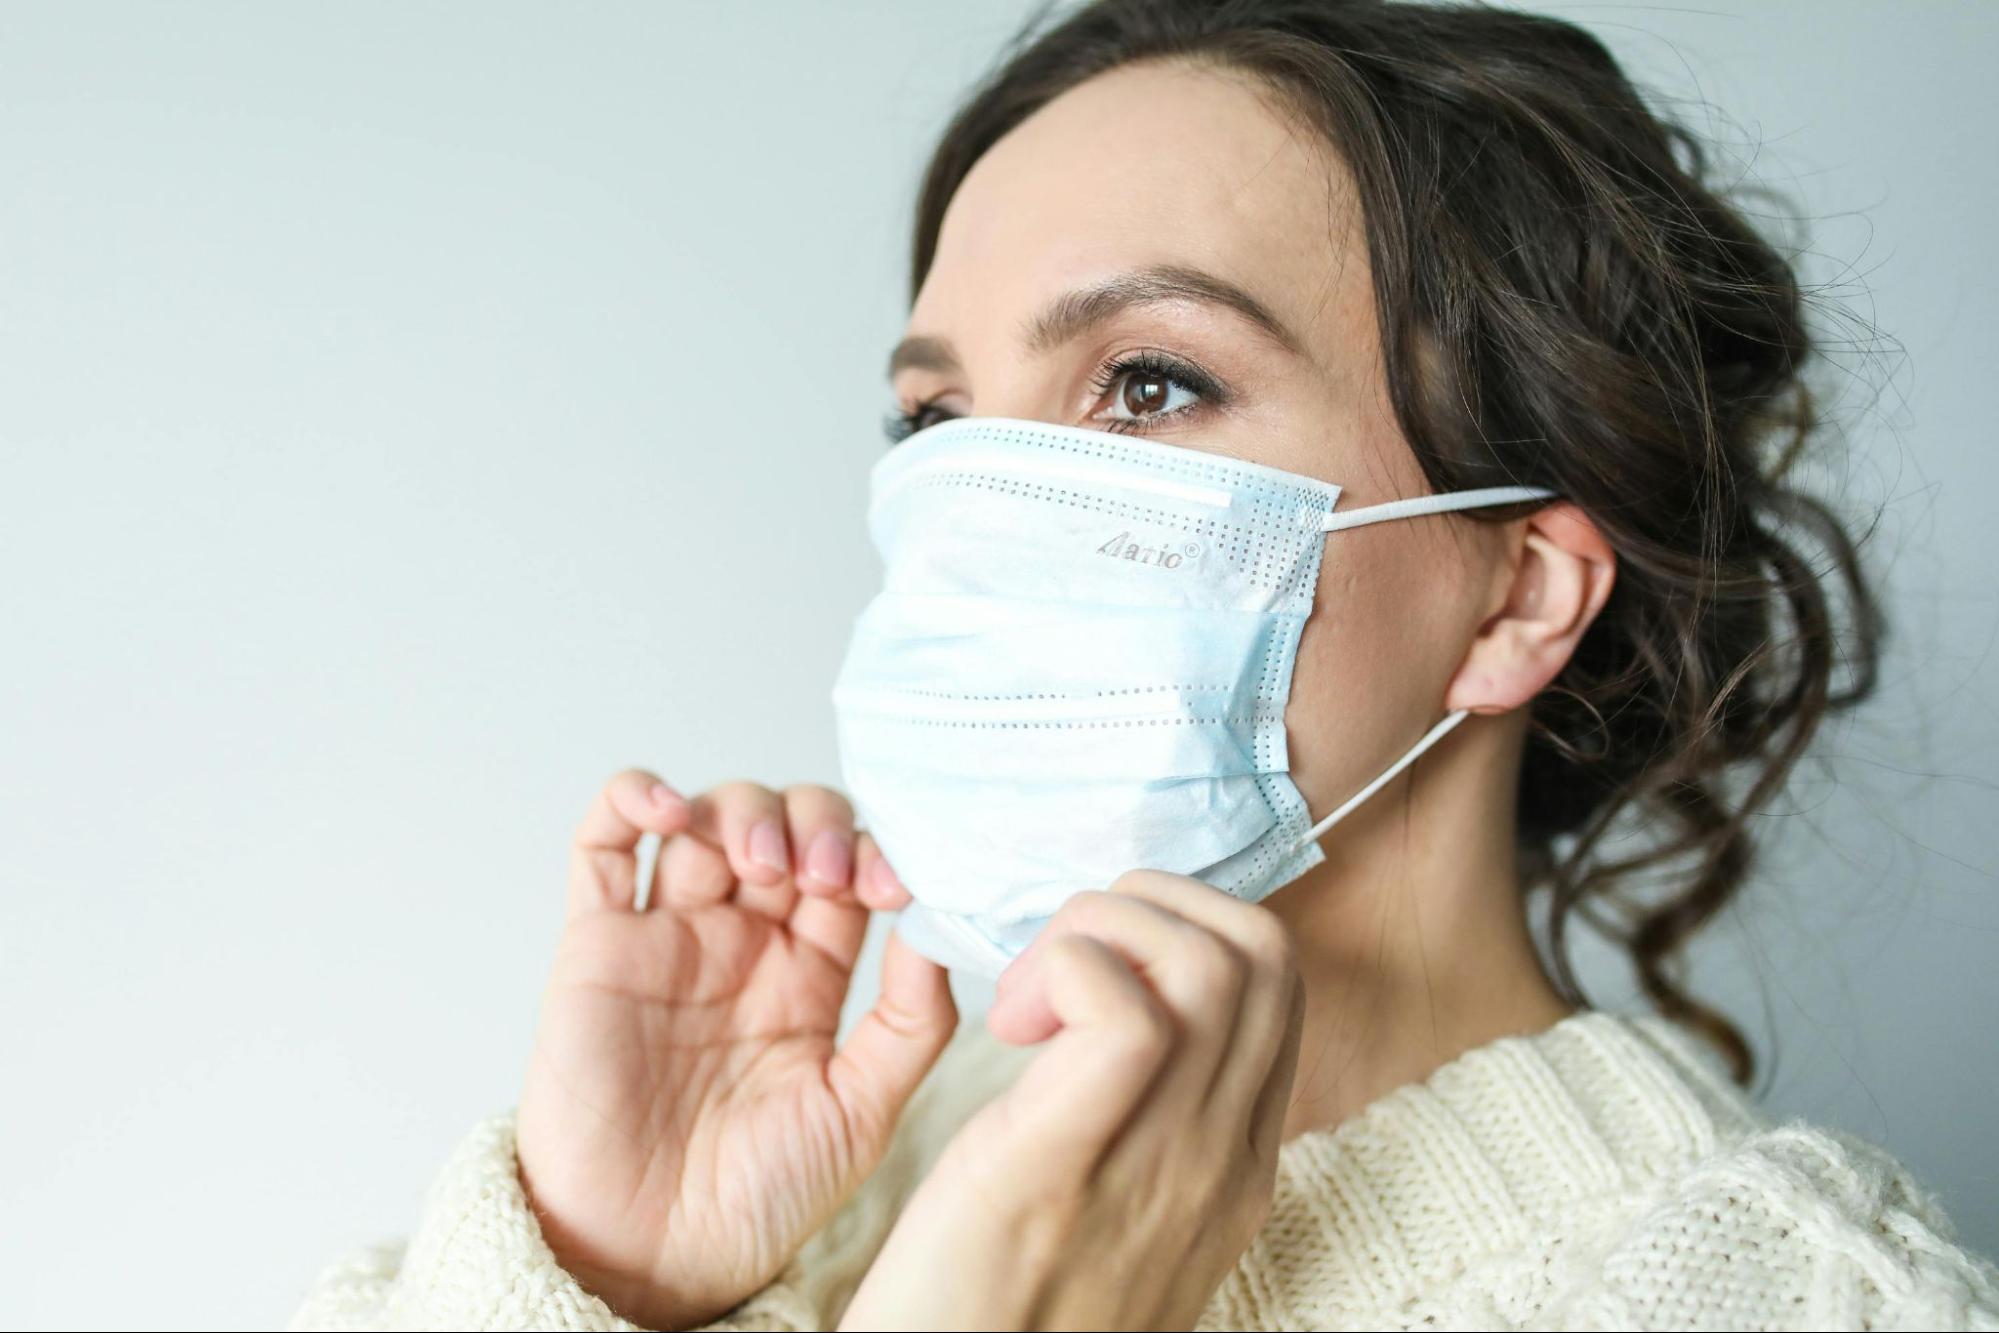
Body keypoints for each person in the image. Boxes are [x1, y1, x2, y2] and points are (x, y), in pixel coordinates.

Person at [289, 2, 1999, 1329]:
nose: (980, 503)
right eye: (939, 420)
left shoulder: (1801, 1296)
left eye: (1149, 383)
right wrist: (602, 1271)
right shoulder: (795, 1171)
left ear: (1517, 599)